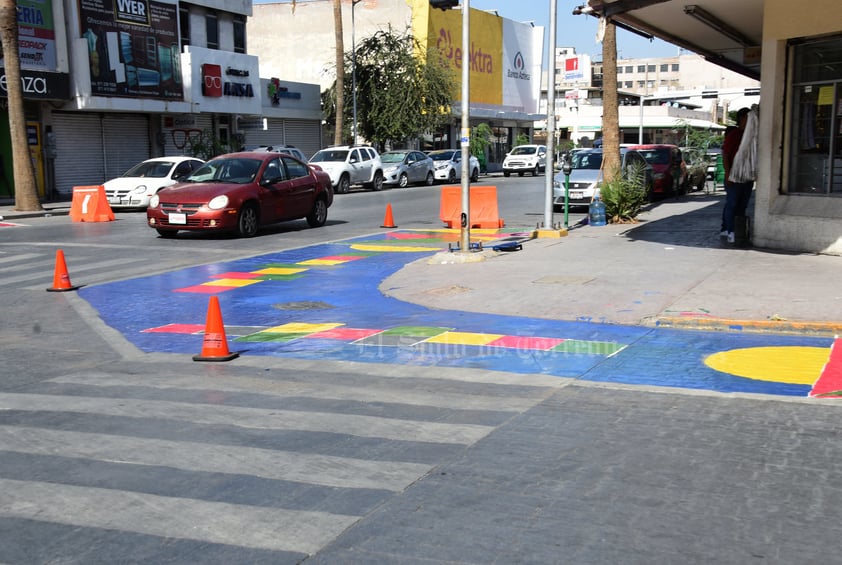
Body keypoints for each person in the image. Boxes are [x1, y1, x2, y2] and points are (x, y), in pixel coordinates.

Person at [720, 107, 754, 244]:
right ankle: (730, 230)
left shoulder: (751, 135)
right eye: (748, 118)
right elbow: (725, 154)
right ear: (742, 118)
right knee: (732, 203)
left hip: (747, 175)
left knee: (742, 205)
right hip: (734, 175)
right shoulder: (734, 134)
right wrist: (728, 173)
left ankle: (736, 229)